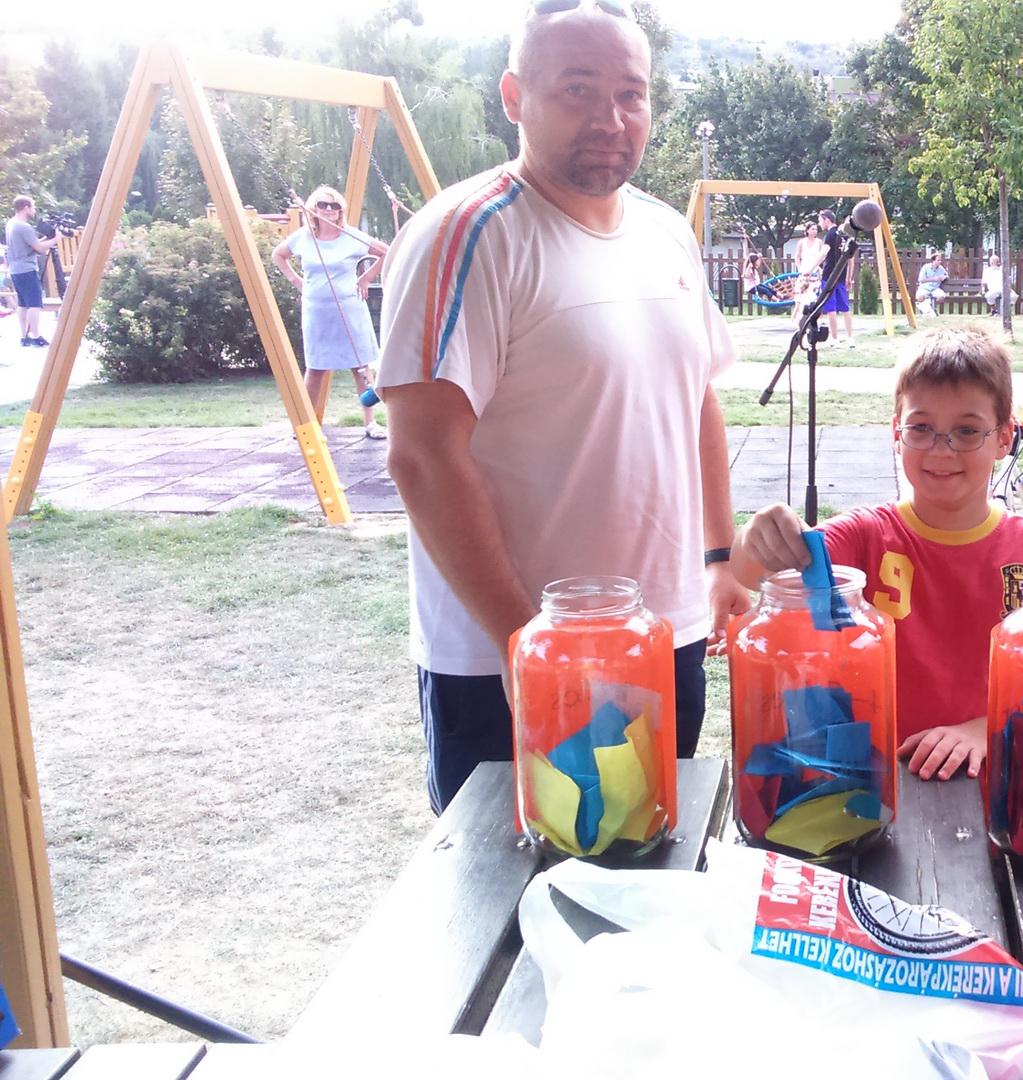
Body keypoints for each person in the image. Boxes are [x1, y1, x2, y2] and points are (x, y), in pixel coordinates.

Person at [376, 1, 750, 814]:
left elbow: (696, 399)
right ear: (514, 97)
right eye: (577, 89)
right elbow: (422, 456)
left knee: (652, 858)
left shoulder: (665, 232)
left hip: (665, 635)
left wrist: (719, 557)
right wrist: (526, 644)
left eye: (630, 93)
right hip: (509, 656)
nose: (610, 119)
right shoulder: (467, 235)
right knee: (516, 880)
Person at [733, 327, 1023, 780]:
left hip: (1001, 778)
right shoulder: (864, 535)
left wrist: (990, 727)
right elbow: (753, 571)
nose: (942, 449)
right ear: (896, 433)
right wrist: (756, 536)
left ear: (1004, 438)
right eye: (921, 428)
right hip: (876, 781)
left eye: (966, 431)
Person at [272, 185, 389, 438]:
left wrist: (367, 277)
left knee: (360, 367)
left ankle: (370, 422)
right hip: (317, 311)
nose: (328, 209)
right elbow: (278, 255)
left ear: (340, 211)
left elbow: (386, 252)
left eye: (334, 205)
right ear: (313, 208)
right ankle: (307, 426)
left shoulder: (351, 236)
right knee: (316, 368)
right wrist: (296, 280)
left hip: (349, 308)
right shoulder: (304, 237)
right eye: (323, 204)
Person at [7, 197, 58, 348]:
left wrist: (46, 238)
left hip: (16, 269)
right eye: (33, 207)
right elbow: (40, 249)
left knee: (23, 304)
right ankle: (35, 336)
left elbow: (31, 244)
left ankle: (24, 336)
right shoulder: (24, 227)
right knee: (34, 303)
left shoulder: (12, 224)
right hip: (27, 269)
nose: (34, 210)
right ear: (26, 207)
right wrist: (57, 238)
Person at [808, 208, 856, 347]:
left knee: (831, 309)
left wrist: (809, 270)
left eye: (820, 221)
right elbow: (851, 259)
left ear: (827, 220)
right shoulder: (845, 235)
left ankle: (834, 339)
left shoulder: (830, 235)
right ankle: (850, 338)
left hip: (829, 276)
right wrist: (849, 277)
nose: (819, 224)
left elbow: (823, 254)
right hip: (842, 275)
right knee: (845, 308)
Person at [793, 220, 826, 328]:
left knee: (815, 297)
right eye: (812, 229)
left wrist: (818, 269)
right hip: (804, 272)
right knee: (800, 298)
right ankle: (798, 321)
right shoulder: (802, 242)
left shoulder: (819, 242)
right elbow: (797, 257)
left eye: (816, 229)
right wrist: (800, 269)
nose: (815, 231)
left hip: (815, 272)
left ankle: (814, 321)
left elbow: (822, 257)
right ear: (807, 230)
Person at [916, 251, 950, 316]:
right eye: (938, 260)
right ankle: (927, 309)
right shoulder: (925, 267)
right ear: (933, 261)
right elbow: (921, 279)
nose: (940, 262)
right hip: (925, 288)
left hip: (935, 289)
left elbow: (946, 276)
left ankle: (931, 308)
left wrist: (944, 277)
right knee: (919, 297)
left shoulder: (941, 268)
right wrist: (934, 279)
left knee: (941, 296)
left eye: (940, 260)